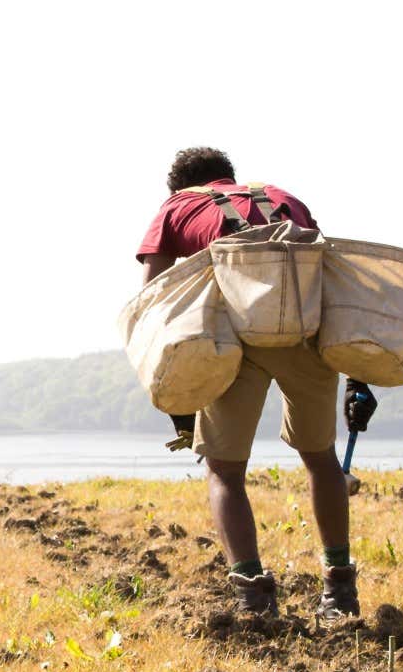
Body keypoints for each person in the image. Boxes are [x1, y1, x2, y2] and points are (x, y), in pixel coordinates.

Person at [136, 146, 367, 618]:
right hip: (305, 333)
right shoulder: (281, 197)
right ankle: (339, 589)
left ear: (180, 186)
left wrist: (180, 384)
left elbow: (152, 296)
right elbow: (327, 276)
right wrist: (356, 376)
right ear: (229, 176)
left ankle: (252, 594)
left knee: (224, 470)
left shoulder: (177, 207)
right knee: (321, 460)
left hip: (233, 342)